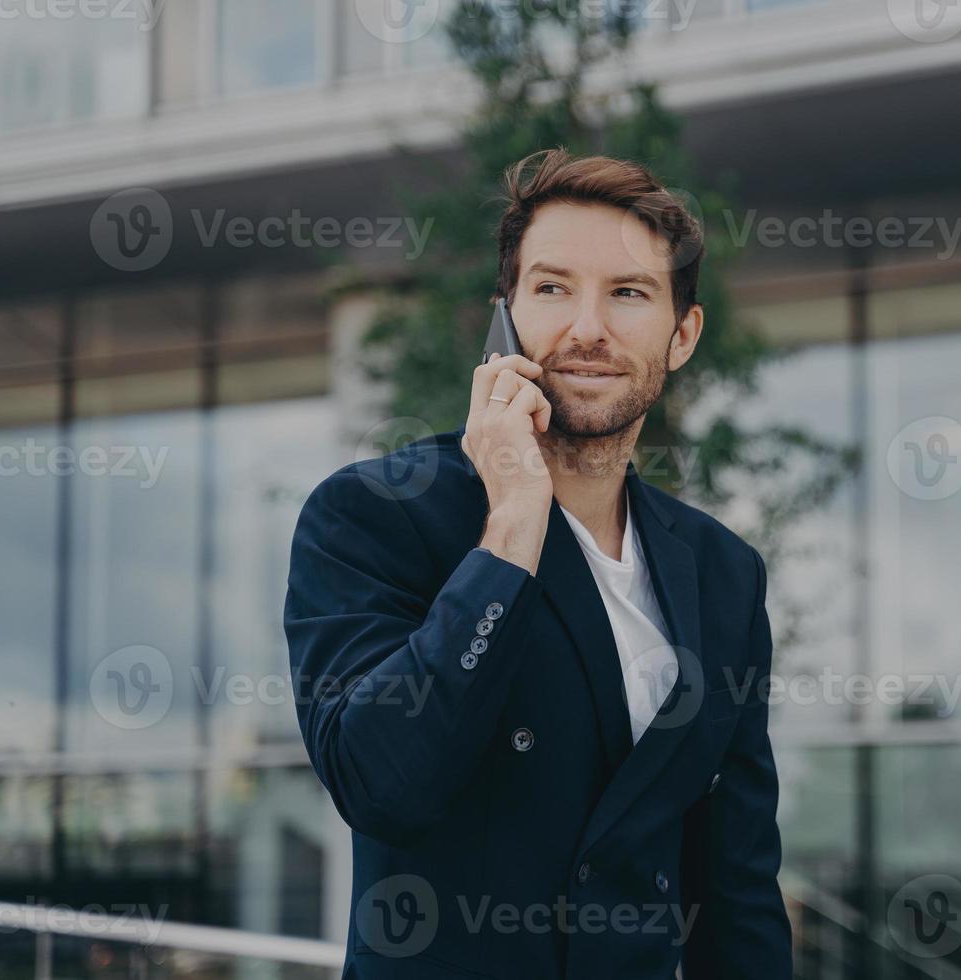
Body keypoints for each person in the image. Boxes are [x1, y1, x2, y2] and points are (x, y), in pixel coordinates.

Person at [284, 147, 792, 979]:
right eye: (552, 288)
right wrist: (512, 523)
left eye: (628, 293)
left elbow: (736, 887)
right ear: (505, 319)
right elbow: (380, 783)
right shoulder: (374, 515)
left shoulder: (722, 571)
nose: (586, 328)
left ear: (682, 334)